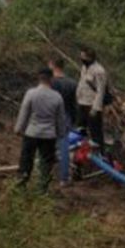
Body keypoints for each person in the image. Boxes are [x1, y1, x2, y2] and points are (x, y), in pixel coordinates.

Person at [13, 67, 67, 191]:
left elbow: (24, 112)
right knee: (46, 162)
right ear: (51, 79)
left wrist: (18, 128)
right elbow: (60, 119)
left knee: (26, 159)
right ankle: (42, 188)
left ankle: (21, 184)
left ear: (39, 77)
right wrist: (61, 133)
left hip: (32, 132)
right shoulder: (57, 97)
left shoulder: (31, 93)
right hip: (49, 135)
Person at [49, 57, 78, 186]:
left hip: (51, 116)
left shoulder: (50, 82)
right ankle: (64, 178)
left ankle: (44, 174)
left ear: (52, 65)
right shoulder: (72, 83)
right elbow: (74, 105)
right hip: (66, 116)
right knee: (64, 148)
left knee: (46, 145)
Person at [75, 47, 109, 149]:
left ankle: (100, 153)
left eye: (83, 57)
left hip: (92, 104)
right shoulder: (85, 67)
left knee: (95, 131)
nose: (81, 58)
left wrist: (96, 108)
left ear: (90, 58)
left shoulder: (99, 71)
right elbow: (81, 82)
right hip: (82, 102)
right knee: (81, 128)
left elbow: (101, 90)